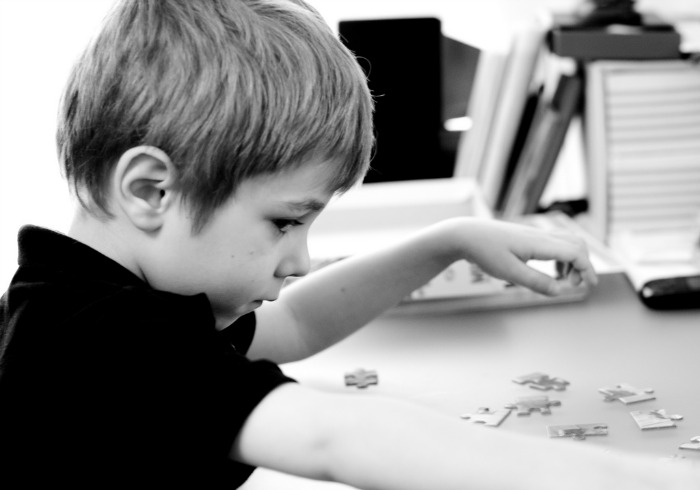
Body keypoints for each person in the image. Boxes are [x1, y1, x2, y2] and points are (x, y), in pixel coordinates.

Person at [0, 1, 696, 489]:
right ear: (152, 191)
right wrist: (647, 480)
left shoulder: (97, 294)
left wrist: (447, 242)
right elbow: (338, 438)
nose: (300, 258)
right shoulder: (95, 345)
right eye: (284, 222)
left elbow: (295, 323)